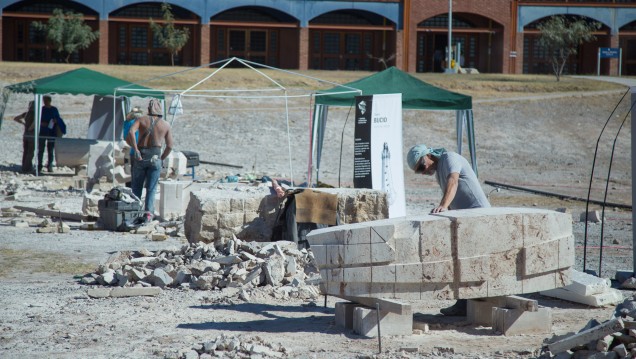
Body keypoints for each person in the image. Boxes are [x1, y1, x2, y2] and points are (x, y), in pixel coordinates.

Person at [406, 143, 490, 316]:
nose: (423, 172)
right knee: (462, 261)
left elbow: (453, 181)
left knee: (472, 261)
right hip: (467, 220)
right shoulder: (439, 173)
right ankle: (464, 302)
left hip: (480, 215)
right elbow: (452, 199)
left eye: (422, 167)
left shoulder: (450, 158)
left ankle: (473, 301)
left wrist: (442, 206)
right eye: (419, 171)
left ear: (428, 155)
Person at [126, 99, 173, 221]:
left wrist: (135, 149)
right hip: (155, 156)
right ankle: (148, 215)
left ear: (149, 109)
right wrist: (162, 158)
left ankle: (134, 213)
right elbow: (170, 146)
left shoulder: (141, 120)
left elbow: (131, 131)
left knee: (136, 187)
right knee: (151, 189)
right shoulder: (165, 125)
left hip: (141, 155)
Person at [38, 95, 66, 173]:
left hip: (51, 132)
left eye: (46, 100)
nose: (45, 102)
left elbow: (58, 119)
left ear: (49, 101)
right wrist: (41, 123)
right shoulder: (42, 109)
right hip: (42, 131)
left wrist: (55, 121)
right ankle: (39, 165)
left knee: (50, 150)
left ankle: (50, 165)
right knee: (41, 149)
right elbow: (37, 119)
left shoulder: (54, 109)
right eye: (44, 100)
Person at [13, 101, 36, 174]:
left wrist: (23, 123)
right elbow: (35, 122)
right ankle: (27, 168)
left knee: (25, 151)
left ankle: (24, 166)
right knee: (30, 151)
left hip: (25, 134)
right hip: (32, 134)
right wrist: (31, 128)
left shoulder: (26, 114)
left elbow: (16, 118)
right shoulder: (35, 113)